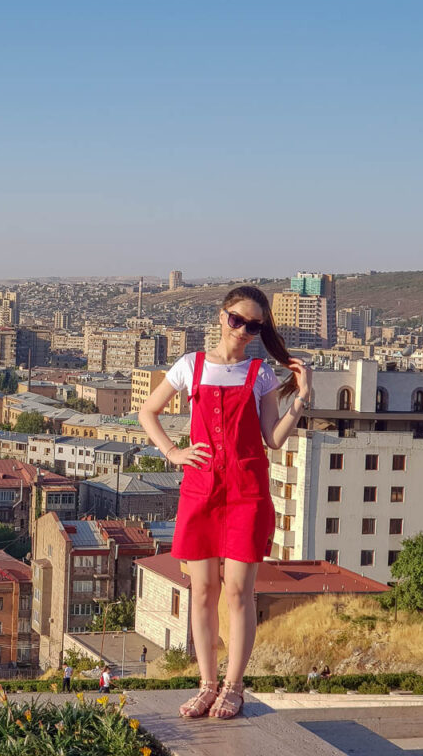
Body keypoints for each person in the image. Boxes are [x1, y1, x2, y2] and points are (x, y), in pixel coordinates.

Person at [140, 285, 311, 721]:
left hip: (246, 491)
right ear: (222, 316)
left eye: (254, 326)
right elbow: (148, 412)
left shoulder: (261, 374)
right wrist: (173, 453)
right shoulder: (190, 365)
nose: (244, 331)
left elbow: (272, 439)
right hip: (201, 489)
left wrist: (301, 401)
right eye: (237, 320)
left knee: (238, 592)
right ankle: (206, 684)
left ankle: (233, 687)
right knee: (201, 592)